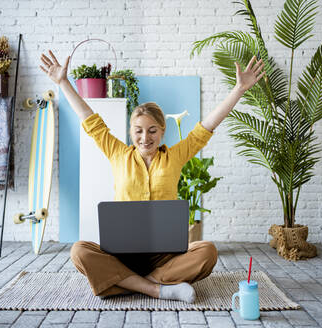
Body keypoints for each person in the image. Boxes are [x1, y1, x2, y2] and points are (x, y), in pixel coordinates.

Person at [40, 50, 265, 303]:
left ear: (162, 131)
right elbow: (90, 120)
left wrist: (239, 89)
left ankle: (124, 282)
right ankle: (159, 288)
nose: (144, 138)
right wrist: (63, 82)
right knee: (79, 251)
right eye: (138, 131)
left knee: (207, 252)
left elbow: (207, 127)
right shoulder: (117, 153)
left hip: (165, 257)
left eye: (152, 130)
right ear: (130, 131)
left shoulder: (175, 156)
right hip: (121, 254)